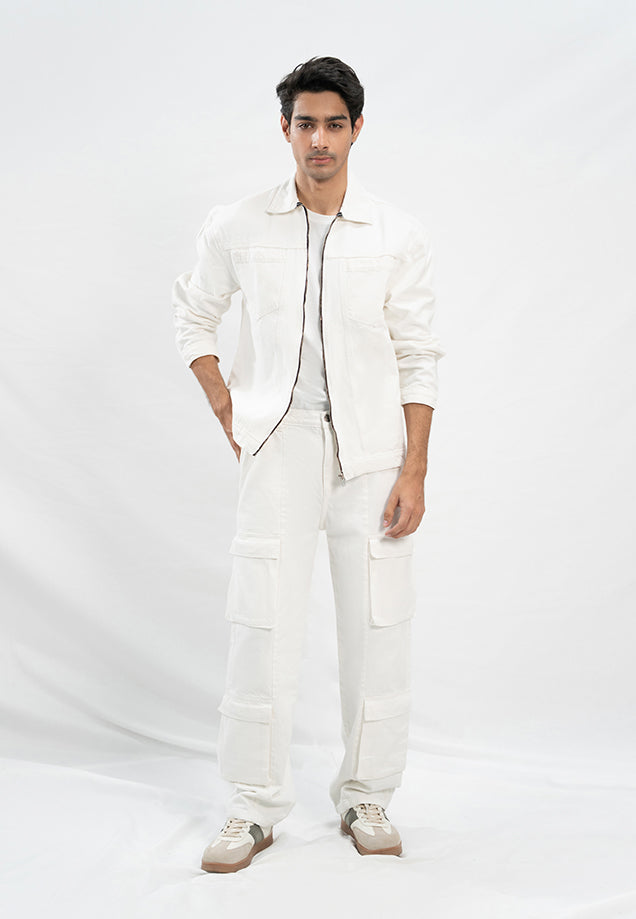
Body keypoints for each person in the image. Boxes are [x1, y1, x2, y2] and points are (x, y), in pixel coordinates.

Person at [171, 56, 445, 873]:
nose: (318, 140)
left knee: (378, 626)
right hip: (279, 444)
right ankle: (253, 803)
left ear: (356, 129)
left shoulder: (395, 233)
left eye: (333, 124)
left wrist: (414, 470)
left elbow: (419, 353)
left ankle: (368, 793)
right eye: (305, 124)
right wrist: (227, 404)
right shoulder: (239, 225)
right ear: (284, 129)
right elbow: (193, 315)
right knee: (262, 623)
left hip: (373, 454)